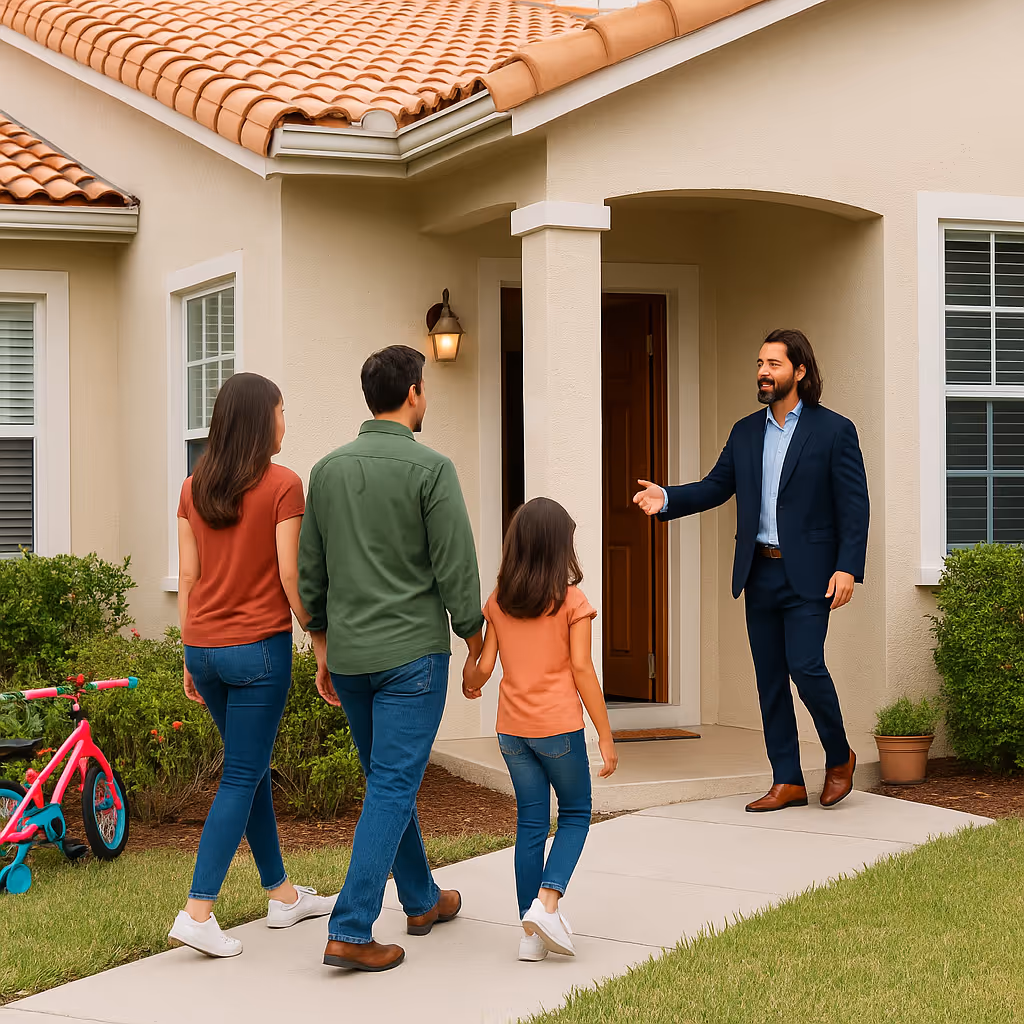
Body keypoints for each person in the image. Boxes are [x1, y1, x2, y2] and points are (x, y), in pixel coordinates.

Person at [299, 345, 484, 973]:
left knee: (386, 779)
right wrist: (474, 632)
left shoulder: (325, 471)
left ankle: (423, 899)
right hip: (411, 656)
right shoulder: (431, 469)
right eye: (425, 388)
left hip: (350, 656)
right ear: (412, 393)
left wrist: (321, 646)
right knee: (394, 783)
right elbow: (455, 561)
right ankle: (350, 926)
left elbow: (310, 573)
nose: (425, 398)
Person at [634, 329, 869, 813]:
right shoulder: (746, 431)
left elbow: (854, 507)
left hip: (810, 575)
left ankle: (838, 754)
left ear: (799, 372)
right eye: (760, 363)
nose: (763, 372)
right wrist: (669, 499)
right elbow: (716, 486)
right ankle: (787, 780)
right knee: (769, 680)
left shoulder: (834, 431)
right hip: (759, 572)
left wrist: (848, 567)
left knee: (806, 667)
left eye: (774, 364)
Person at [169, 372, 336, 958]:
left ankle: (283, 896)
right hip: (258, 650)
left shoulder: (193, 487)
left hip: (204, 647)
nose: (285, 422)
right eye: (282, 411)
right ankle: (197, 910)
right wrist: (319, 643)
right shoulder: (284, 485)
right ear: (261, 419)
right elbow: (291, 575)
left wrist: (189, 653)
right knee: (241, 774)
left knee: (252, 768)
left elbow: (188, 578)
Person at [463, 497, 617, 962]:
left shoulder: (499, 601)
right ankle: (547, 904)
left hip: (512, 731)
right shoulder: (573, 602)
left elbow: (482, 670)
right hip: (557, 731)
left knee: (530, 822)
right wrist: (606, 736)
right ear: (558, 548)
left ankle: (530, 936)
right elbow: (582, 669)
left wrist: (469, 681)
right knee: (575, 812)